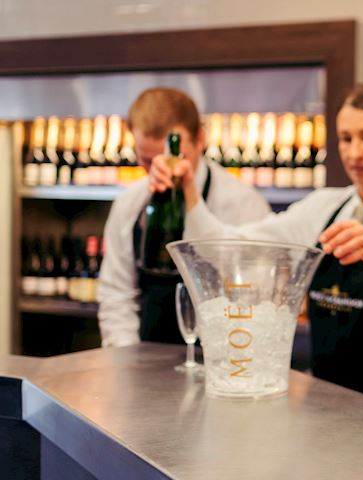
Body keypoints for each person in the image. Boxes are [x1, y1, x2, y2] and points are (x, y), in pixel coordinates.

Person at [149, 82, 363, 403]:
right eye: (346, 139)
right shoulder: (323, 207)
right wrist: (188, 190)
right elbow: (229, 248)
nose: (355, 153)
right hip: (324, 396)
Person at [98, 87, 271, 347]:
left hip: (221, 354)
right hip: (145, 354)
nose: (162, 170)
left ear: (199, 139)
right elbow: (117, 294)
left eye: (174, 159)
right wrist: (128, 358)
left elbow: (255, 297)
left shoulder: (243, 203)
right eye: (148, 161)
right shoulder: (129, 203)